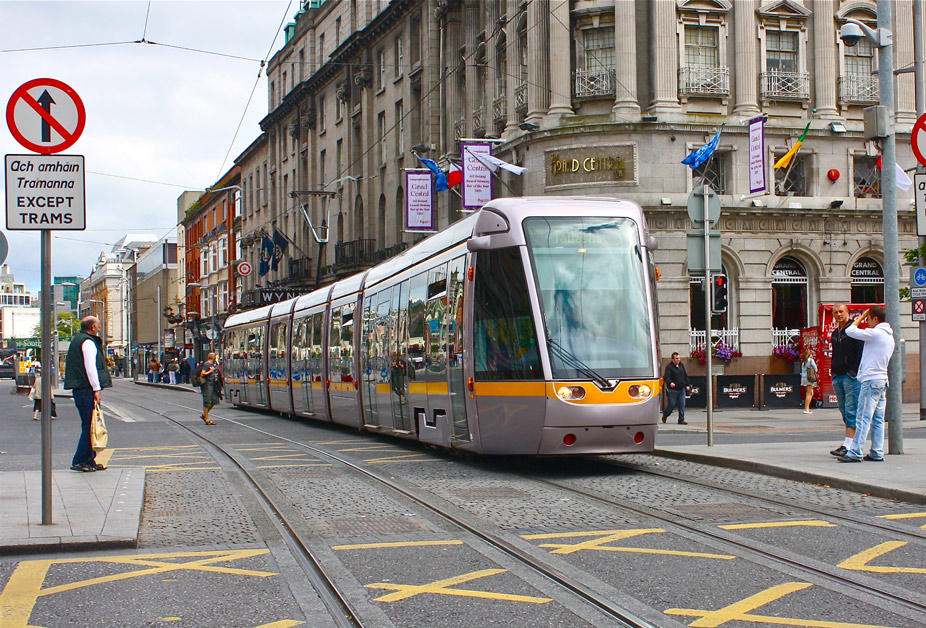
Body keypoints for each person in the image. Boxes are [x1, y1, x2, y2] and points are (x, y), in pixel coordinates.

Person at [837, 306, 895, 463]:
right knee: (878, 419)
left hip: (870, 380)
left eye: (869, 319)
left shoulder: (875, 333)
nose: (867, 322)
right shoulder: (889, 336)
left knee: (863, 417)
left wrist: (862, 316)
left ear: (875, 319)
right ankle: (877, 451)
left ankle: (855, 451)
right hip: (882, 380)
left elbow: (850, 331)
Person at [64, 316, 112, 472]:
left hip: (82, 388)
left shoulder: (80, 340)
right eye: (98, 325)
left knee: (90, 425)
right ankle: (79, 461)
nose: (99, 328)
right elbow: (90, 367)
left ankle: (89, 460)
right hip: (85, 388)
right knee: (88, 426)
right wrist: (96, 388)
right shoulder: (88, 342)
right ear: (92, 327)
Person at [829, 304, 864, 457]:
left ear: (848, 313)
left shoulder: (853, 331)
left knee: (851, 410)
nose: (838, 314)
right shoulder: (835, 333)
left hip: (850, 376)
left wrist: (853, 372)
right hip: (838, 375)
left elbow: (861, 353)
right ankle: (849, 443)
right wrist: (833, 371)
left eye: (841, 311)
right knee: (843, 409)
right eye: (835, 312)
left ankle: (849, 445)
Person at [661, 352, 691, 425]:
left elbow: (685, 375)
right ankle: (665, 414)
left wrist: (687, 385)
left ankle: (681, 419)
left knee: (682, 404)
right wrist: (670, 383)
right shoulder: (669, 367)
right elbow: (666, 377)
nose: (678, 360)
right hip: (673, 390)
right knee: (672, 404)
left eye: (679, 358)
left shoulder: (681, 365)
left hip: (681, 389)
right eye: (676, 358)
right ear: (672, 359)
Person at [196, 352, 220, 425]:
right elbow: (202, 374)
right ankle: (207, 418)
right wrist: (210, 371)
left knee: (214, 400)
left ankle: (204, 415)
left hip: (212, 384)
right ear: (213, 358)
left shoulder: (212, 364)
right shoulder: (207, 364)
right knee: (207, 401)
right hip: (207, 385)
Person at [799, 347, 818, 414]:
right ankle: (806, 408)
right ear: (809, 355)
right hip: (809, 377)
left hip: (804, 378)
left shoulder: (803, 361)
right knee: (809, 393)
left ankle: (808, 408)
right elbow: (816, 368)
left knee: (810, 393)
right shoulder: (811, 360)